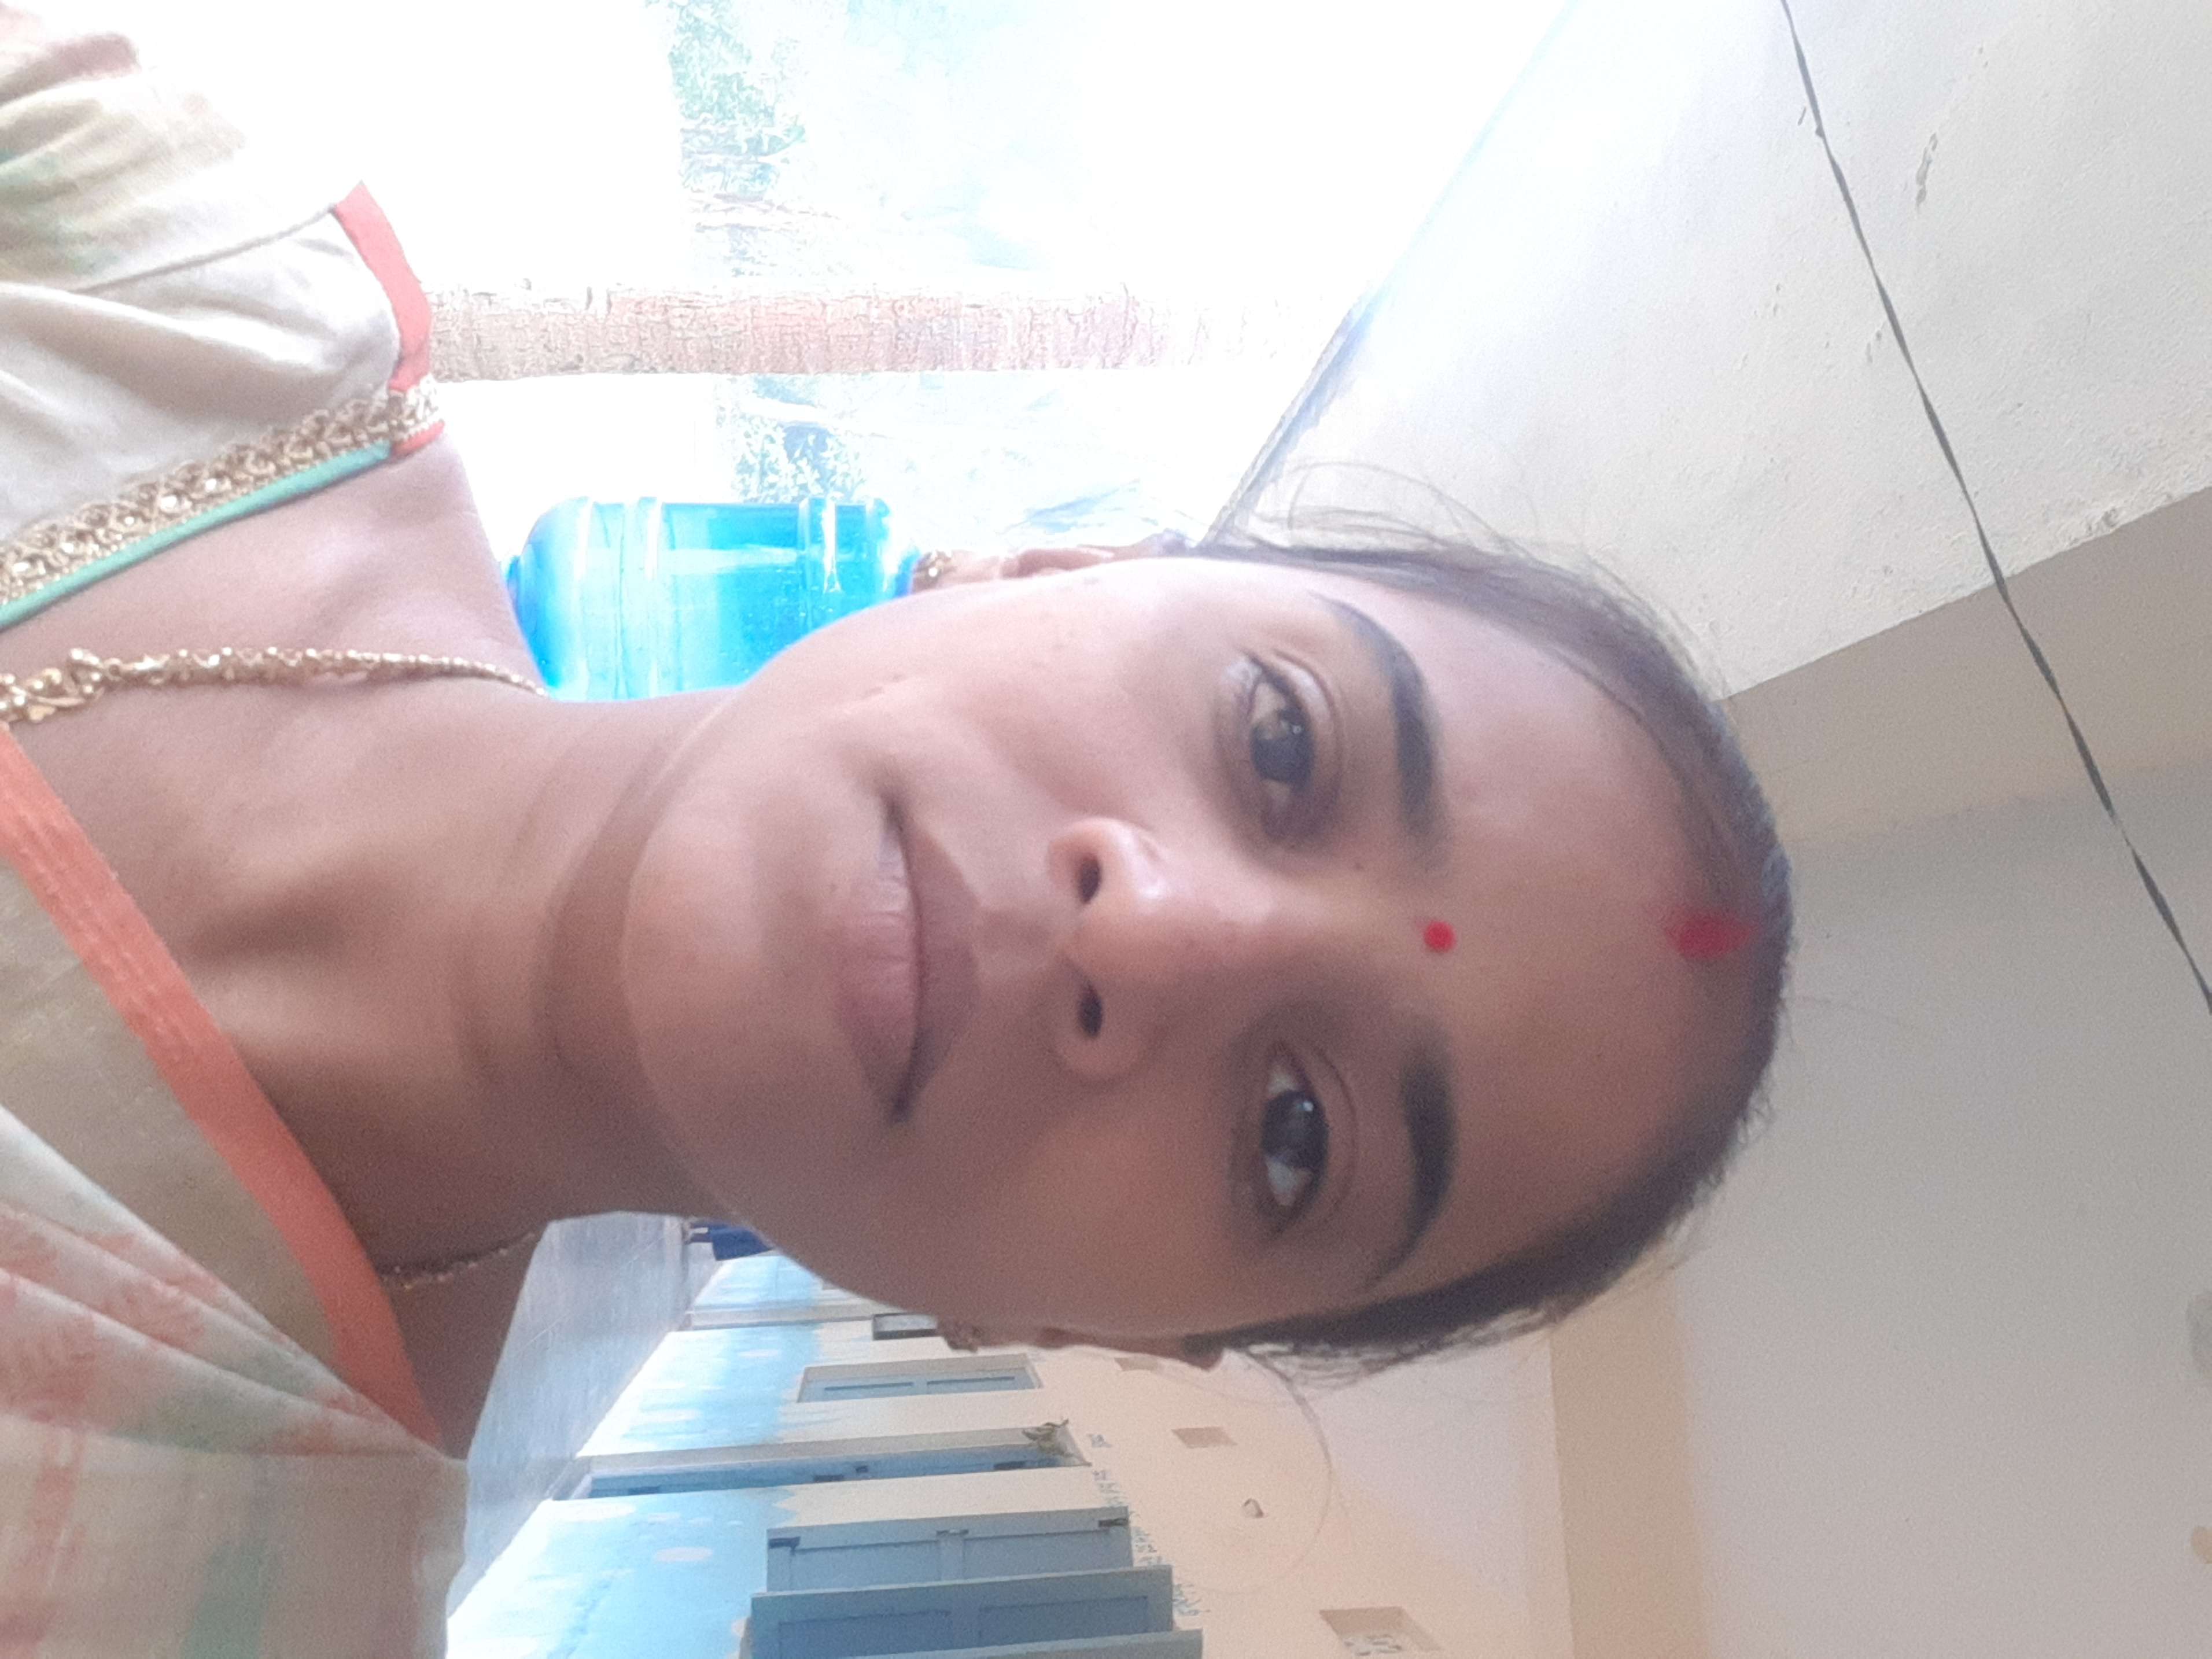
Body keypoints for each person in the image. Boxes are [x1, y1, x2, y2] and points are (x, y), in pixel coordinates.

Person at [0, 5, 1790, 1651]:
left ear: (1086, 1330)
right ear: (1051, 564)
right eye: (1279, 737)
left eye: (1296, 1136)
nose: (1149, 928)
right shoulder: (162, 262)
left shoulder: (183, 1590)